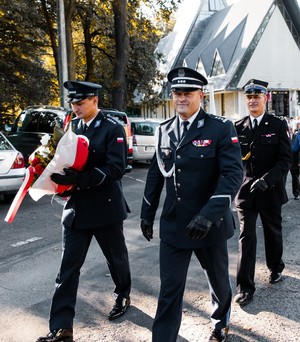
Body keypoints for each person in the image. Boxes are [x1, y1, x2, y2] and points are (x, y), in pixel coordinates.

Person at [140, 67, 243, 342]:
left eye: (187, 93)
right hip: (175, 225)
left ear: (200, 95)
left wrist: (209, 215)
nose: (181, 98)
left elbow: (233, 174)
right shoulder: (165, 130)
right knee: (169, 289)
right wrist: (147, 213)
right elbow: (155, 173)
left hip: (209, 223)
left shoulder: (220, 128)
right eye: (177, 93)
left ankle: (220, 321)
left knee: (219, 283)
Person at [36, 81, 131, 342]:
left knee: (117, 260)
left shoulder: (113, 128)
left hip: (105, 209)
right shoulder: (72, 127)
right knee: (67, 269)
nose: (75, 107)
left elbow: (116, 169)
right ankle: (62, 327)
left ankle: (123, 293)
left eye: (80, 102)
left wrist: (80, 178)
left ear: (94, 101)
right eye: (73, 103)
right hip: (76, 210)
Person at [234, 79, 292, 307]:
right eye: (249, 97)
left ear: (265, 99)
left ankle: (275, 267)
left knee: (272, 232)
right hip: (246, 193)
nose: (252, 100)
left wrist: (266, 180)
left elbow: (285, 160)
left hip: (270, 191)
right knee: (246, 237)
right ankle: (245, 287)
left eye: (257, 96)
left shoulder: (277, 126)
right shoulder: (238, 127)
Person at [290, 122, 300, 199]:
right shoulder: (297, 135)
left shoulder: (298, 135)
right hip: (296, 160)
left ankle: (297, 193)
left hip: (296, 160)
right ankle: (296, 193)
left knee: (295, 176)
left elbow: (294, 149)